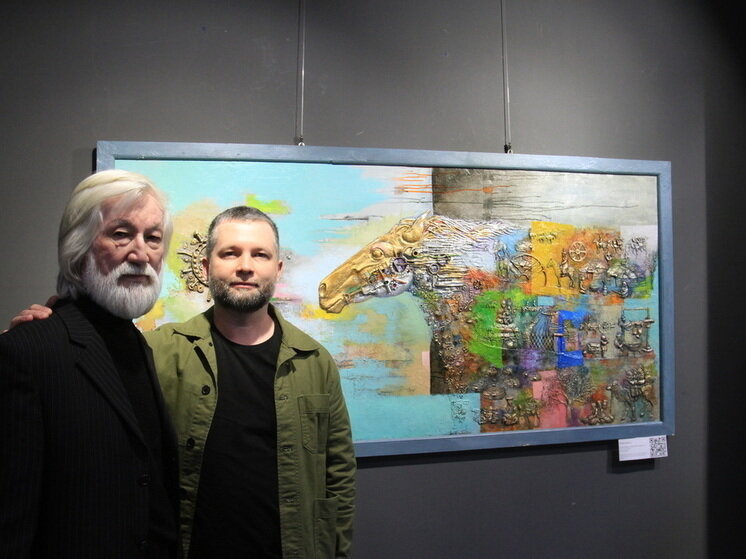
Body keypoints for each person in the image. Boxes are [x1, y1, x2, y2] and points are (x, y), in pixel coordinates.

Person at [8, 205, 357, 559]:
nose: (245, 266)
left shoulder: (315, 362)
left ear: (278, 269)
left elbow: (339, 473)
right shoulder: (157, 350)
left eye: (260, 254)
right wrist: (48, 332)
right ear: (205, 268)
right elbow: (84, 372)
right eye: (230, 253)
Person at [0, 170, 180, 558]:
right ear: (78, 247)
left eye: (152, 238)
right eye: (121, 234)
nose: (140, 254)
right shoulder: (26, 351)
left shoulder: (139, 346)